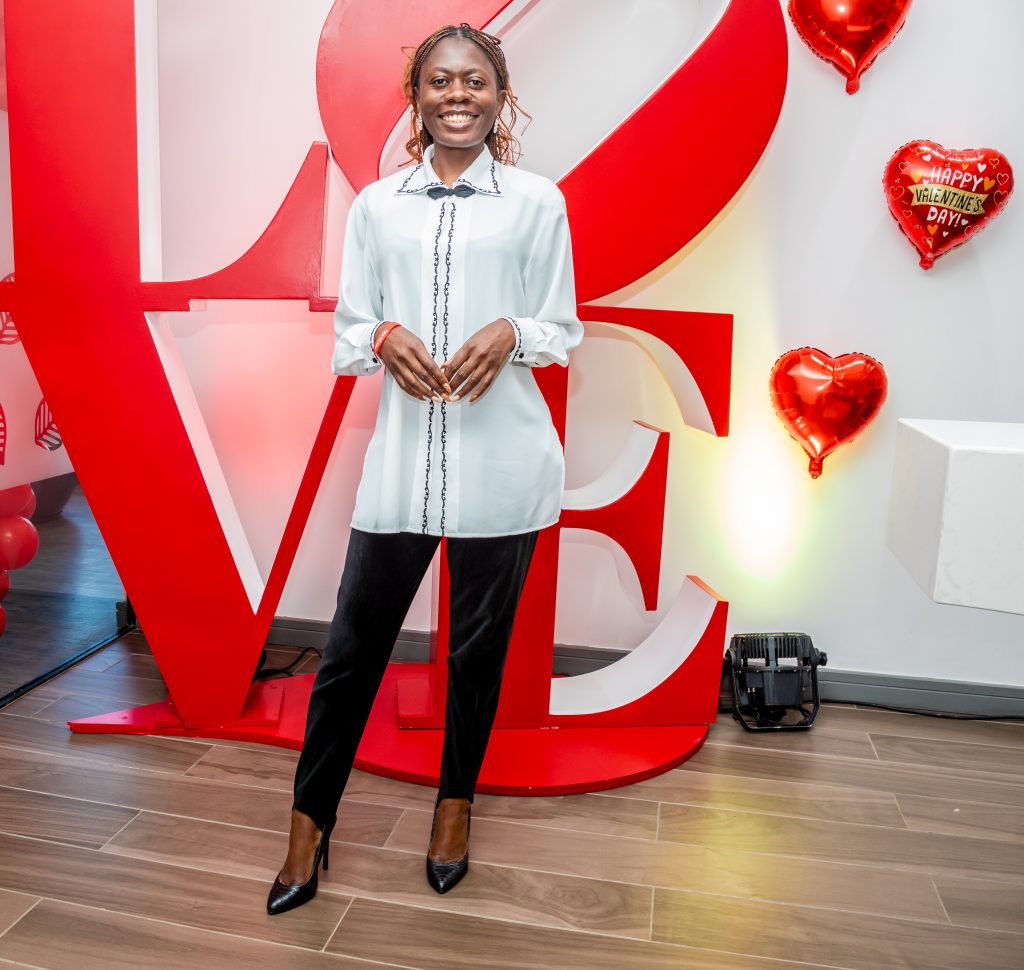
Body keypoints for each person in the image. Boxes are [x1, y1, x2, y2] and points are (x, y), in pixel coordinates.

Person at [267, 21, 583, 915]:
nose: (457, 95)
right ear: (416, 95)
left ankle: (453, 810)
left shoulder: (536, 203)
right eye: (440, 81)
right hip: (404, 462)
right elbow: (348, 334)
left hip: (505, 463)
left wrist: (513, 332)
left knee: (477, 657)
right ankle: (307, 828)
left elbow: (562, 328)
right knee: (350, 653)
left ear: (499, 96)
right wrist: (385, 335)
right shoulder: (377, 206)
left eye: (474, 82)